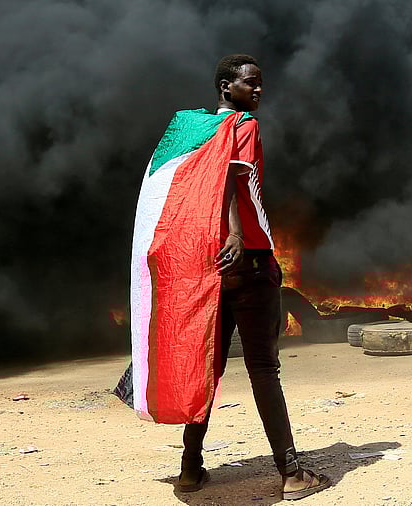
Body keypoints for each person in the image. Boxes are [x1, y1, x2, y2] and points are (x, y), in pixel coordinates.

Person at [174, 54, 331, 501]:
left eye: (261, 84)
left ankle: (190, 469)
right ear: (226, 86)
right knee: (264, 367)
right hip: (250, 259)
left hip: (210, 266)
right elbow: (231, 175)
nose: (259, 90)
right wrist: (238, 233)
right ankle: (292, 473)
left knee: (208, 370)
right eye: (250, 83)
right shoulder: (242, 125)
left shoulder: (196, 131)